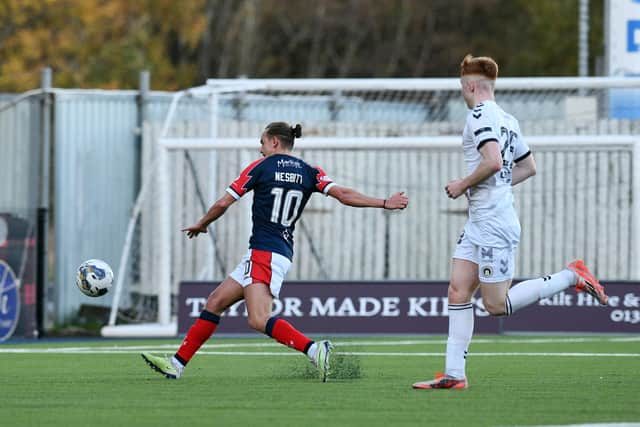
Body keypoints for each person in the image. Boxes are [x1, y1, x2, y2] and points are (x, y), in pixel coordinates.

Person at [141, 121, 409, 381]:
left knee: (258, 320)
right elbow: (344, 194)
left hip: (264, 253)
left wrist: (202, 223)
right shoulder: (309, 171)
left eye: (262, 142)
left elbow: (224, 202)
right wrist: (384, 202)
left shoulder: (262, 166)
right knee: (215, 302)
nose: (260, 148)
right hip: (274, 251)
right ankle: (177, 364)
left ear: (274, 141)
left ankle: (316, 350)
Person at [412, 55, 609, 390]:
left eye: (462, 87)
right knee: (458, 289)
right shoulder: (508, 119)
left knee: (495, 305)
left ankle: (570, 275)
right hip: (482, 221)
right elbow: (527, 167)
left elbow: (493, 160)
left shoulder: (479, 115)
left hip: (494, 225)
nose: (463, 92)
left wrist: (463, 184)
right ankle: (454, 374)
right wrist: (494, 187)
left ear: (471, 86)